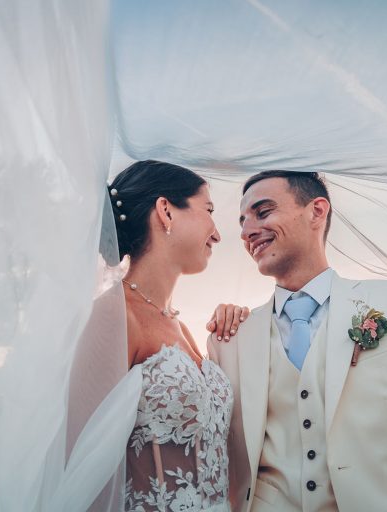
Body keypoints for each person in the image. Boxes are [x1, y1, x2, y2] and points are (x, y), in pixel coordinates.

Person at [208, 171, 387, 511]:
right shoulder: (229, 338)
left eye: (263, 212)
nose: (246, 231)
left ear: (317, 211)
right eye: (242, 221)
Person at [66, 160, 248, 512]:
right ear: (166, 211)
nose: (217, 232)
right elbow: (78, 466)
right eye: (208, 209)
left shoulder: (181, 327)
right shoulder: (114, 315)